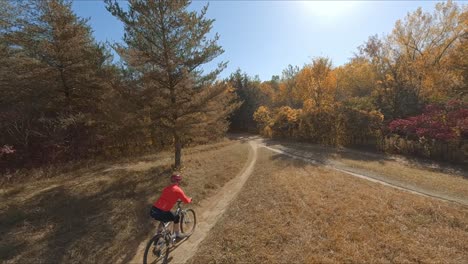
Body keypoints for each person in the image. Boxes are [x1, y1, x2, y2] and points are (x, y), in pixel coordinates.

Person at [150, 173, 192, 239]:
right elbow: (186, 201)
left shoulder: (166, 188)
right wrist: (190, 199)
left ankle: (157, 235)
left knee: (163, 219)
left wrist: (176, 198)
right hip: (162, 212)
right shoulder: (178, 190)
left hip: (153, 210)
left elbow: (167, 197)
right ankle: (177, 234)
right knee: (176, 217)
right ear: (178, 181)